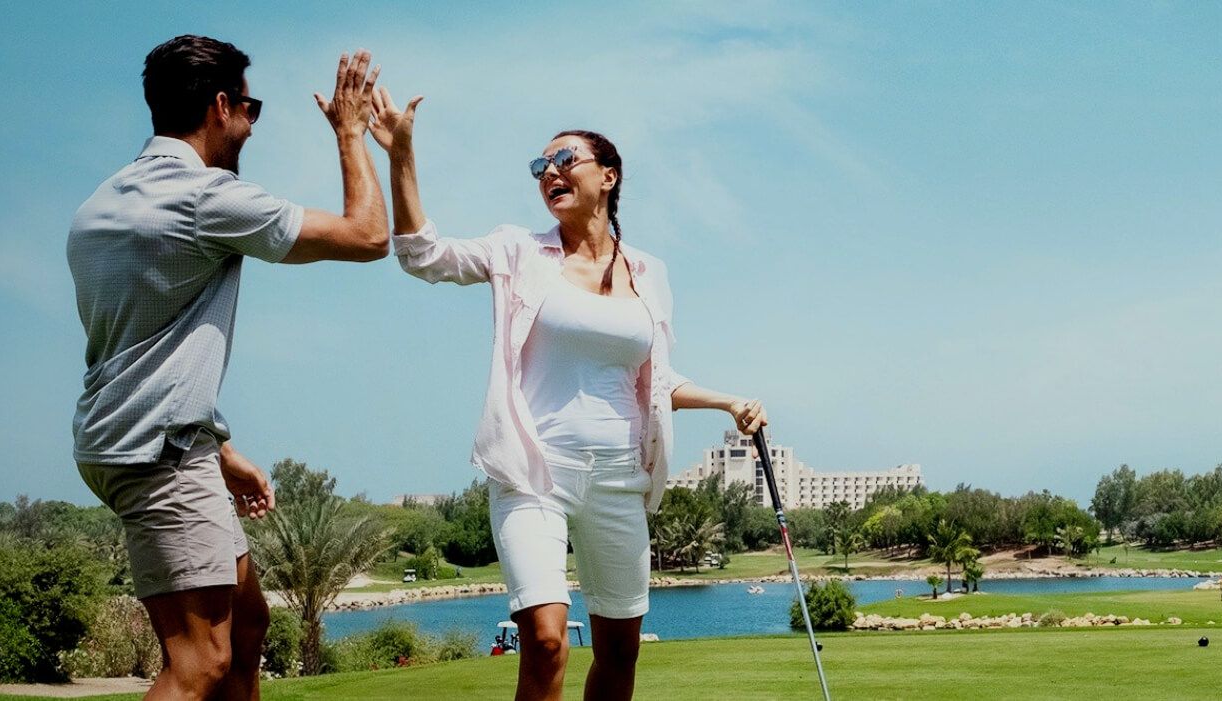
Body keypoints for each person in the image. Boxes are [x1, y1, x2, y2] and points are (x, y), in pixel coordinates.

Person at [369, 88, 768, 701]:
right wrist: (401, 156)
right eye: (540, 166)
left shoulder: (650, 273)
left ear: (609, 176)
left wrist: (729, 401)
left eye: (564, 159)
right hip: (535, 473)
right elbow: (422, 255)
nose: (549, 172)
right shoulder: (518, 251)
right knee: (547, 640)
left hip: (620, 478)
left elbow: (653, 380)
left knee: (620, 652)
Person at [67, 35, 389, 701]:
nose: (251, 124)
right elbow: (369, 236)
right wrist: (350, 134)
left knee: (246, 625)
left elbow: (148, 348)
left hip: (127, 441)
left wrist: (220, 449)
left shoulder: (100, 204)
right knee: (200, 663)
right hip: (160, 453)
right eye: (251, 108)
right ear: (220, 106)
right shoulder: (203, 196)